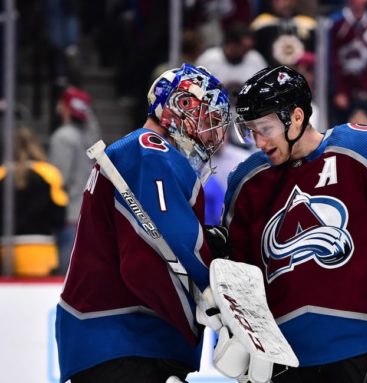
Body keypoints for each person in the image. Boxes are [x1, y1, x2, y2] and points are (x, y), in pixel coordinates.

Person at [222, 65, 367, 382]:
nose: (258, 142)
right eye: (250, 131)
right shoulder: (246, 181)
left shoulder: (361, 148)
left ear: (297, 117)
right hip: (284, 360)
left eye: (265, 128)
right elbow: (237, 271)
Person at [55, 64, 232, 382]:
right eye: (210, 119)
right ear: (182, 108)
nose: (216, 134)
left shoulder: (144, 153)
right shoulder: (150, 153)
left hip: (126, 342)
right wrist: (217, 301)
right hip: (125, 340)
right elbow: (154, 255)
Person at [0, 127, 68, 277]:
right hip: (41, 249)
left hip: (6, 249)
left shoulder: (2, 174)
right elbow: (60, 216)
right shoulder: (50, 173)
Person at [49, 86, 100, 274]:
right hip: (87, 211)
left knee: (65, 276)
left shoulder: (63, 137)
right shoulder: (91, 136)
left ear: (64, 107)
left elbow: (58, 178)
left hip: (69, 212)